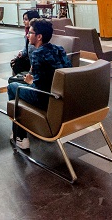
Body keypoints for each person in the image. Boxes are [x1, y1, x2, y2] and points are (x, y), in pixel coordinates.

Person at [7, 18, 71, 151]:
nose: (27, 35)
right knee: (16, 81)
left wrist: (31, 81)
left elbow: (38, 86)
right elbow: (67, 73)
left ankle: (20, 136)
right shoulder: (59, 49)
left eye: (30, 32)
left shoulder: (37, 54)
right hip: (61, 95)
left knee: (12, 87)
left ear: (39, 36)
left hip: (44, 97)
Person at [11, 10, 39, 74]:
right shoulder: (27, 32)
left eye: (26, 19)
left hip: (33, 63)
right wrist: (22, 52)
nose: (24, 22)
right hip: (29, 58)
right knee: (15, 62)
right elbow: (26, 46)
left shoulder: (36, 34)